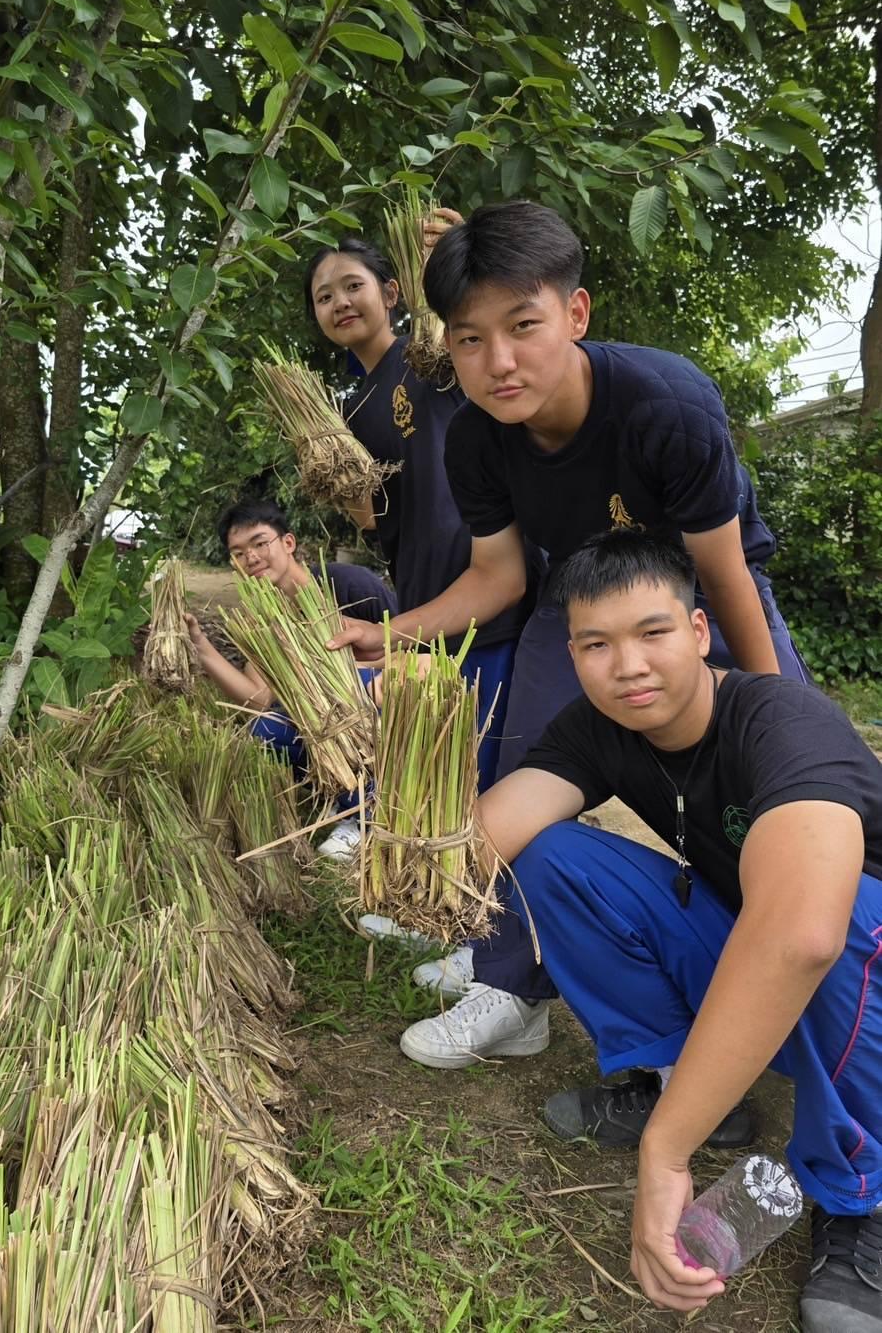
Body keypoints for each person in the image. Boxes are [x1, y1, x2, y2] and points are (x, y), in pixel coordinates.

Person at [327, 200, 809, 1068]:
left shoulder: (666, 403)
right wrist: (392, 634)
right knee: (524, 764)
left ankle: (803, 968)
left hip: (696, 579)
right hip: (573, 593)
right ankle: (512, 987)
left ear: (575, 314)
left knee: (786, 776)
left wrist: (766, 710)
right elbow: (500, 577)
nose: (498, 362)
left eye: (524, 325)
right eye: (469, 339)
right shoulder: (475, 441)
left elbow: (726, 573)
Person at [470, 530, 881, 1333]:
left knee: (838, 908)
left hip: (863, 977)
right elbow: (489, 833)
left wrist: (668, 1153)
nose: (628, 666)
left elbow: (801, 936)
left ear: (698, 631)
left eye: (652, 632)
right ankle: (680, 1078)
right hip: (775, 979)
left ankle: (863, 1189)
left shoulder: (780, 720)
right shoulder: (597, 728)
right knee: (554, 856)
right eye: (596, 643)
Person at [303, 224, 541, 800]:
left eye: (351, 285)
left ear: (391, 293)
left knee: (500, 768)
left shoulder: (432, 354)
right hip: (424, 597)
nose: (339, 303)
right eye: (323, 296)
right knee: (449, 774)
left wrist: (460, 254)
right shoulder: (347, 410)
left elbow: (483, 332)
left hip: (493, 586)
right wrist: (336, 479)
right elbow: (373, 518)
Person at [185, 497, 396, 855]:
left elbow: (417, 648)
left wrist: (355, 671)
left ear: (288, 543)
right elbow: (260, 698)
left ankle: (367, 812)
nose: (250, 558)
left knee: (358, 691)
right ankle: (339, 789)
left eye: (259, 543)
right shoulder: (263, 616)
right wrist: (201, 647)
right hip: (325, 718)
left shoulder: (346, 584)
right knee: (266, 729)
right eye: (238, 553)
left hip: (380, 700)